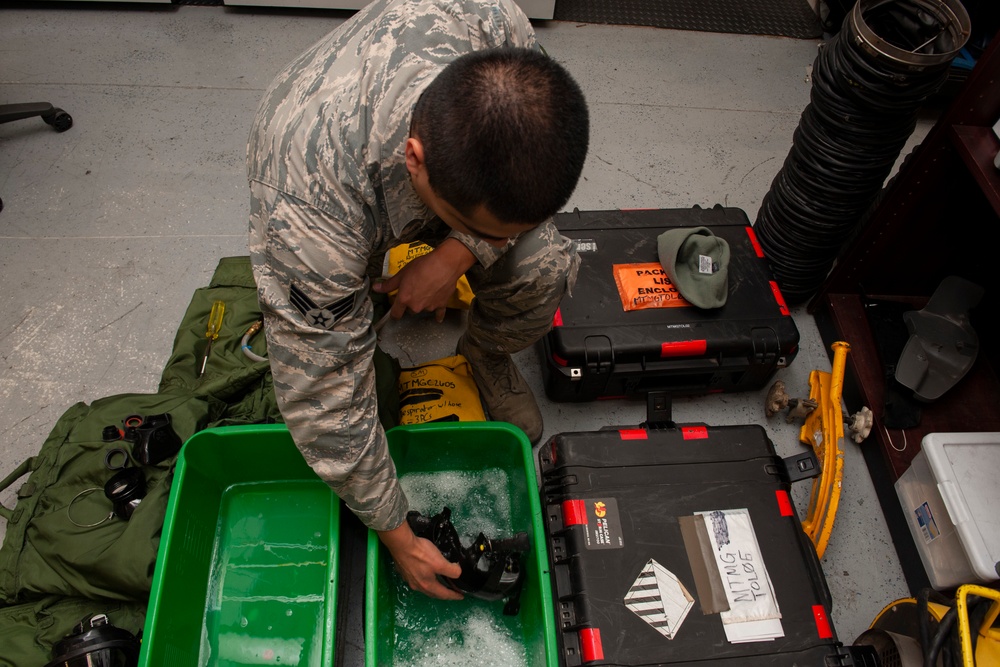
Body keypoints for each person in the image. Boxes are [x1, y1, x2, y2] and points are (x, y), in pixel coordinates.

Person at [247, 0, 589, 600]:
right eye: (480, 227)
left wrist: (456, 254)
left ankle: (482, 357)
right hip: (340, 186)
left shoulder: (490, 22)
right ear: (416, 161)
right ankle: (355, 293)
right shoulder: (307, 211)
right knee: (332, 340)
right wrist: (397, 532)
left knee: (542, 266)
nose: (497, 242)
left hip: (433, 179)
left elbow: (512, 181)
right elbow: (323, 399)